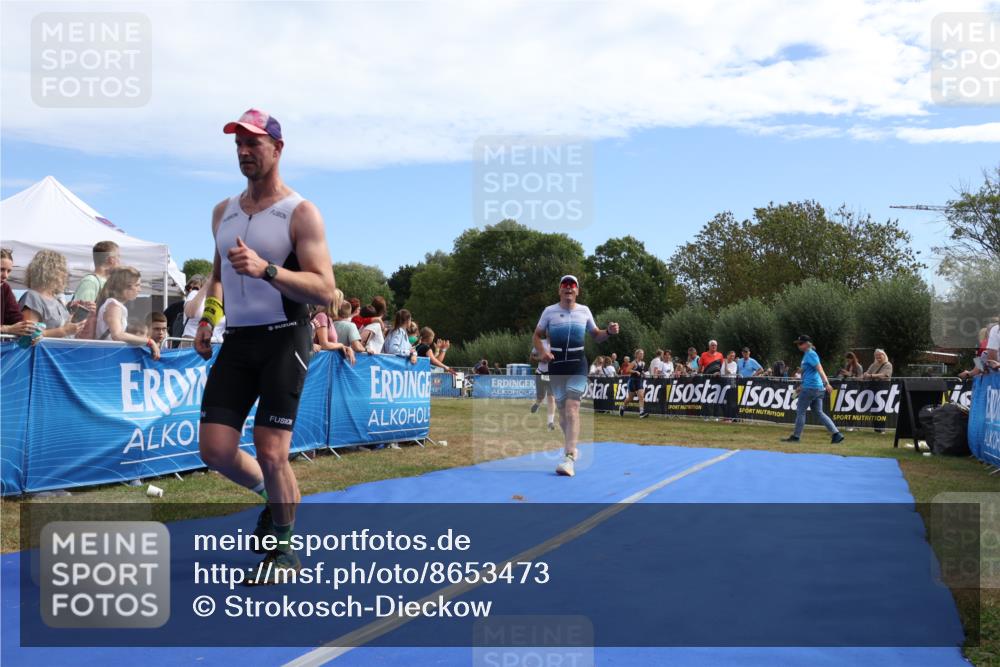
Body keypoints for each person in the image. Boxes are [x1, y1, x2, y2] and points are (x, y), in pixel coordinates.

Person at [195, 108, 336, 581]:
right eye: (238, 143)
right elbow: (217, 279)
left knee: (272, 450)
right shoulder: (223, 211)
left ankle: (285, 547)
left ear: (277, 149)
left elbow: (324, 288)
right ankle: (274, 501)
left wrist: (267, 270)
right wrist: (207, 321)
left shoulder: (300, 212)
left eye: (253, 143)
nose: (244, 152)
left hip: (285, 338)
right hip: (237, 340)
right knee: (214, 450)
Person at [534, 274, 619, 476]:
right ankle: (572, 447)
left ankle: (569, 457)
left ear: (577, 291)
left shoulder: (584, 311)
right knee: (563, 413)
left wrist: (608, 331)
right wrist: (542, 352)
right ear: (559, 290)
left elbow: (596, 336)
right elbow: (536, 335)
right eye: (565, 285)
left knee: (572, 409)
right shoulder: (549, 312)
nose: (568, 288)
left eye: (573, 285)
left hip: (577, 365)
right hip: (556, 367)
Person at [781, 335, 844, 444]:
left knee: (800, 411)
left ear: (807, 344)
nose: (798, 345)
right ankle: (836, 434)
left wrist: (827, 383)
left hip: (811, 388)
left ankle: (796, 437)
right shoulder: (807, 355)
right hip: (815, 388)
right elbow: (809, 374)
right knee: (819, 412)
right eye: (798, 343)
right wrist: (801, 386)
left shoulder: (811, 354)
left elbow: (820, 370)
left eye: (800, 343)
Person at [94, 266, 160, 358]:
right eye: (137, 285)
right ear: (125, 287)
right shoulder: (114, 306)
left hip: (107, 355)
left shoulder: (114, 305)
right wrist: (148, 341)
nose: (139, 289)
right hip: (106, 356)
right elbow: (117, 335)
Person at [18, 250, 82, 339]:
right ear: (50, 271)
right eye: (62, 270)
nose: (66, 275)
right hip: (41, 352)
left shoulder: (56, 299)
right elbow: (28, 335)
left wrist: (74, 313)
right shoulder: (32, 297)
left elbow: (64, 325)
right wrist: (64, 331)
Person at [69, 240, 120, 338]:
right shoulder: (91, 281)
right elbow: (78, 317)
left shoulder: (106, 282)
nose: (120, 261)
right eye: (119, 257)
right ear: (111, 260)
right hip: (87, 346)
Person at [182, 275, 226, 344]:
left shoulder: (220, 299)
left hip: (217, 345)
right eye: (188, 287)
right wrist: (204, 288)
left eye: (195, 288)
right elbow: (190, 313)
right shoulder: (194, 294)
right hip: (192, 342)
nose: (190, 290)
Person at [1, 248, 34, 337]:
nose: (5, 276)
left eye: (8, 271)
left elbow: (16, 318)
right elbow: (11, 327)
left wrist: (30, 331)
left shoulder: (5, 288)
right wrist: (7, 329)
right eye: (1, 269)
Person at [529, 335, 556, 430]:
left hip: (552, 374)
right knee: (540, 396)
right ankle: (537, 404)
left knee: (551, 398)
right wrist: (541, 359)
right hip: (540, 373)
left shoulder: (559, 344)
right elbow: (531, 358)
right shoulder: (540, 343)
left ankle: (550, 422)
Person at [619, 348, 649, 418]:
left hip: (639, 381)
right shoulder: (633, 362)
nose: (642, 355)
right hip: (632, 381)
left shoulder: (643, 363)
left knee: (641, 396)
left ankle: (641, 413)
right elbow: (627, 370)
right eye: (641, 354)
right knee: (630, 398)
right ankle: (622, 407)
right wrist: (635, 371)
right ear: (637, 355)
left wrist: (643, 373)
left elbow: (641, 371)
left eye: (643, 354)